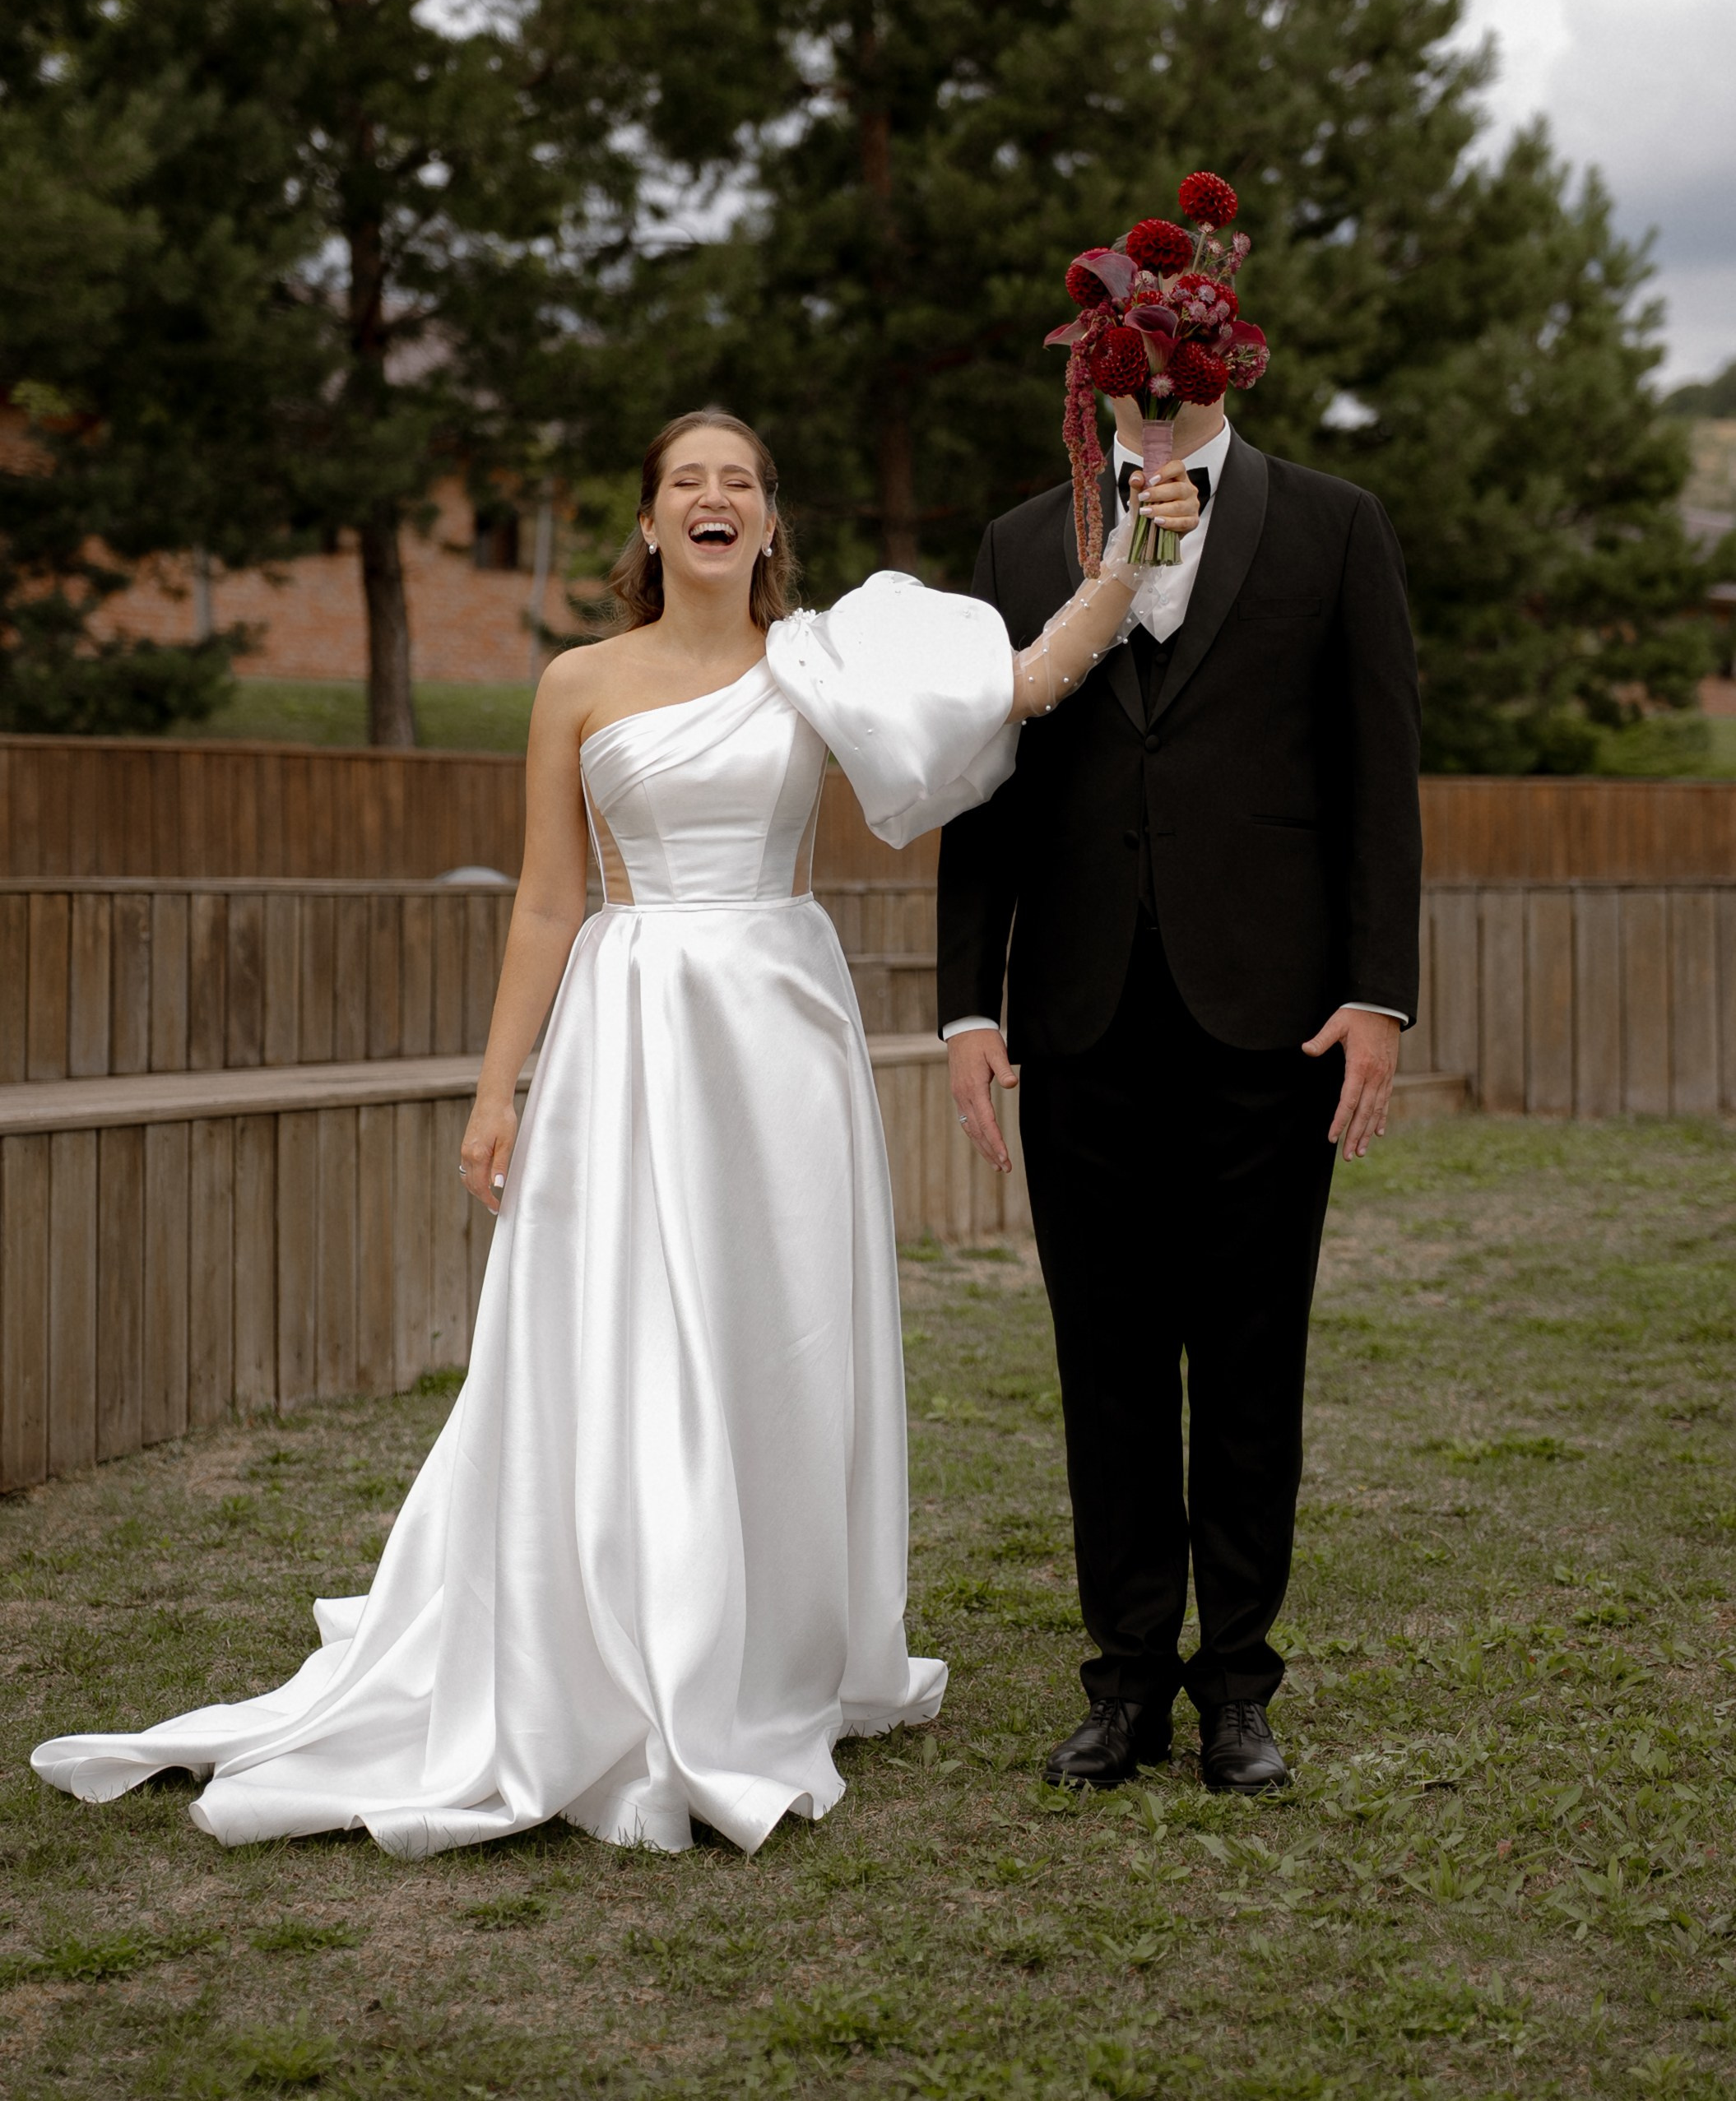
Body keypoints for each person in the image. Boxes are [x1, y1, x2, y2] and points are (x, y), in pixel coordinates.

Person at [32, 409, 1200, 1858]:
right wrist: (493, 1086)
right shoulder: (574, 683)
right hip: (627, 1024)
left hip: (777, 1031)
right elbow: (545, 899)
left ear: (771, 524)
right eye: (683, 483)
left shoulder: (820, 663)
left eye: (740, 484)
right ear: (647, 526)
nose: (712, 501)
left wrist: (1135, 553)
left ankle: (758, 1644)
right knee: (617, 1333)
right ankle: (611, 1637)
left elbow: (1019, 687)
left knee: (773, 1332)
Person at [939, 379, 1422, 1796]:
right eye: (1129, 355)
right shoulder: (1023, 545)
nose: (1158, 386)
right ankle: (1126, 1679)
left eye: (1184, 351)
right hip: (1078, 1017)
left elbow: (1376, 773)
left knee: (1253, 1354)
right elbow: (988, 788)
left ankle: (1239, 1687)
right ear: (1094, 366)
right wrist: (970, 997)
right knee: (1106, 1361)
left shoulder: (1335, 527)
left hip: (1274, 1022)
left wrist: (1376, 990)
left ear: (1228, 361)